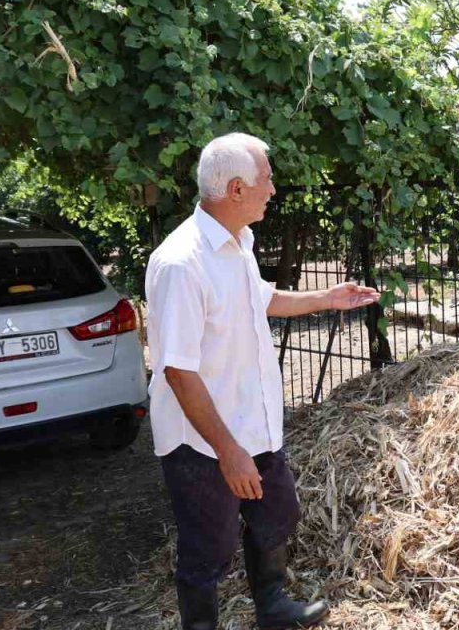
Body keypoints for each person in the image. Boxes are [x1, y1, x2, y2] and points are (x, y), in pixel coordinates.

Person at [145, 132, 380, 630]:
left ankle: (272, 608)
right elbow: (177, 370)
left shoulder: (238, 242)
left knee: (275, 517)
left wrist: (327, 298)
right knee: (208, 548)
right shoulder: (180, 264)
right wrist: (228, 451)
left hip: (255, 426)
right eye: (266, 179)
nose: (273, 189)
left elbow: (262, 299)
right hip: (202, 442)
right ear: (235, 189)